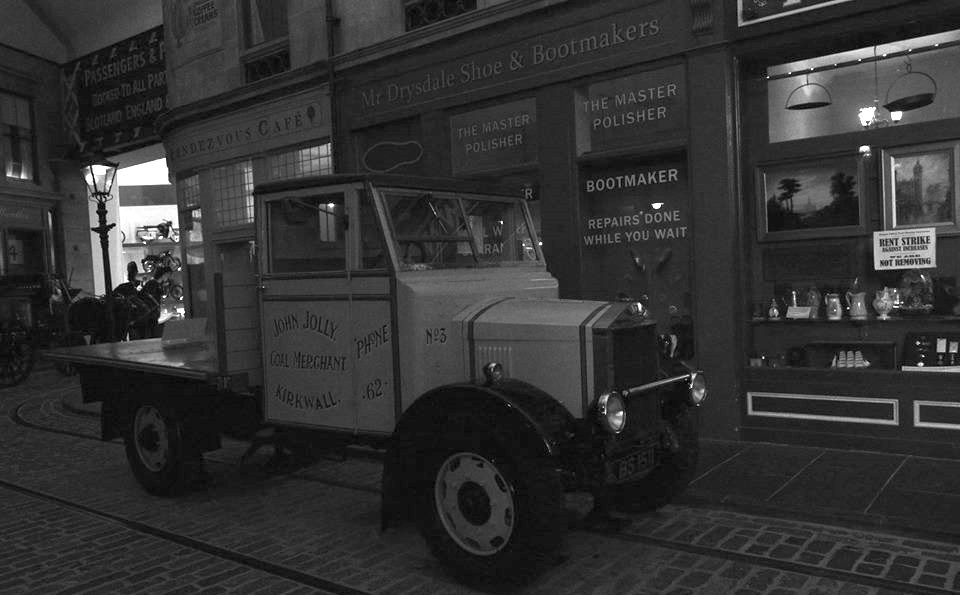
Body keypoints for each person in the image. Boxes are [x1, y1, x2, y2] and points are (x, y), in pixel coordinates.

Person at [138, 265, 172, 339]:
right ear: (164, 274)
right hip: (150, 315)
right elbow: (150, 298)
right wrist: (156, 306)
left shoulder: (155, 284)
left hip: (151, 315)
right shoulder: (153, 284)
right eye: (168, 275)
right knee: (152, 335)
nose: (168, 278)